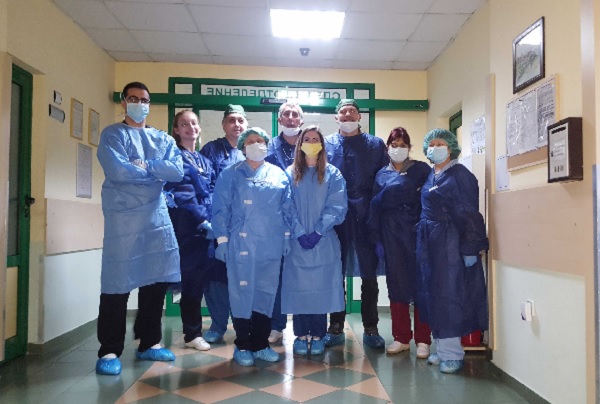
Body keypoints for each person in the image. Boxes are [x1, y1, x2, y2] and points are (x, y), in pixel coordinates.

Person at [95, 82, 184, 375]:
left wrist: (143, 165)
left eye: (144, 99)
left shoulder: (162, 138)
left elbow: (176, 171)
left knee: (155, 282)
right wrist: (155, 172)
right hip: (123, 220)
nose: (139, 103)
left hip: (155, 219)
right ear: (123, 102)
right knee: (117, 285)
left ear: (149, 104)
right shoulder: (112, 135)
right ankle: (109, 349)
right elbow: (117, 170)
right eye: (133, 98)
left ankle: (149, 342)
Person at [211, 127, 293, 367]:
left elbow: (287, 208)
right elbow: (220, 209)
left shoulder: (277, 174)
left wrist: (286, 237)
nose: (257, 144)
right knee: (242, 293)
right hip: (241, 243)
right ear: (243, 147)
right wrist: (222, 240)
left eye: (260, 140)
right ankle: (243, 345)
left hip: (270, 244)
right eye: (251, 141)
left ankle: (261, 344)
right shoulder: (231, 174)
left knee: (265, 293)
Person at [417, 128, 488, 374]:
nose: (434, 148)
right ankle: (442, 347)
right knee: (433, 295)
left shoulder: (460, 175)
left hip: (450, 242)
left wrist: (471, 247)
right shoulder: (433, 174)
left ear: (451, 148)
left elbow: (470, 213)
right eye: (431, 144)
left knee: (450, 295)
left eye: (440, 144)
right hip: (431, 242)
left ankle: (453, 354)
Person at [323, 99, 389, 349]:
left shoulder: (375, 144)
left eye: (352, 111)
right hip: (336, 214)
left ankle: (371, 327)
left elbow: (384, 178)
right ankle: (335, 325)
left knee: (369, 274)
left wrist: (377, 213)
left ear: (360, 117)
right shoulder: (327, 144)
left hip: (366, 214)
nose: (348, 115)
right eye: (343, 111)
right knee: (334, 271)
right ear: (336, 117)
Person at [283, 125, 347, 356]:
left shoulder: (333, 174)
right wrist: (299, 232)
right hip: (296, 241)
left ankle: (318, 334)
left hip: (324, 241)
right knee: (299, 288)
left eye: (315, 139)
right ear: (300, 144)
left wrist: (319, 230)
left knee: (320, 289)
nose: (311, 143)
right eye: (307, 139)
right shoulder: (290, 173)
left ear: (322, 144)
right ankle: (301, 335)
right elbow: (286, 205)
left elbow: (337, 205)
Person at [368, 127, 432, 357]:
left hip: (418, 235)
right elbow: (375, 208)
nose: (398, 149)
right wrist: (377, 239)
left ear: (409, 148)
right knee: (397, 287)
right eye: (394, 145)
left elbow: (430, 200)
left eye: (402, 145)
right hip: (392, 236)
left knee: (422, 287)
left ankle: (423, 340)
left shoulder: (421, 170)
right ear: (387, 148)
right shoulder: (381, 175)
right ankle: (401, 337)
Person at [164, 110, 215, 352]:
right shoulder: (174, 157)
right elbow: (184, 193)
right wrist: (203, 219)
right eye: (184, 124)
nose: (190, 127)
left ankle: (201, 330)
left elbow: (213, 190)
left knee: (203, 282)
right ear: (176, 130)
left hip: (208, 229)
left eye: (194, 123)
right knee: (190, 283)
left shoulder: (204, 160)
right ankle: (192, 334)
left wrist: (215, 218)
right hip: (187, 228)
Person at [199, 104, 248, 343]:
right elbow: (204, 185)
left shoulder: (252, 150)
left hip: (246, 226)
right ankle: (218, 325)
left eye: (240, 120)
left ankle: (243, 326)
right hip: (218, 223)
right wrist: (213, 220)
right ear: (223, 124)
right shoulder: (212, 150)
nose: (236, 124)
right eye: (231, 120)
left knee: (242, 277)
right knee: (216, 277)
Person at [265, 101, 305, 344]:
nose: (291, 118)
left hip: (305, 219)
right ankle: (276, 325)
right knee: (276, 275)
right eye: (286, 114)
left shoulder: (310, 145)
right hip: (276, 220)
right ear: (279, 119)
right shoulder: (269, 147)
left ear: (301, 120)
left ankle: (303, 327)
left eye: (295, 114)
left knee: (302, 275)